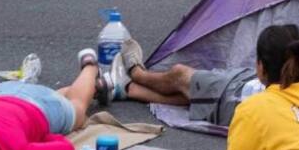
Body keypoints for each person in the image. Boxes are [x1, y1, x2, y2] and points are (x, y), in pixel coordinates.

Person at [97, 37, 264, 126]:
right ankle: (128, 89)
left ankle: (137, 73)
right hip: (248, 84)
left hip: (238, 96)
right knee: (194, 94)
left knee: (180, 75)